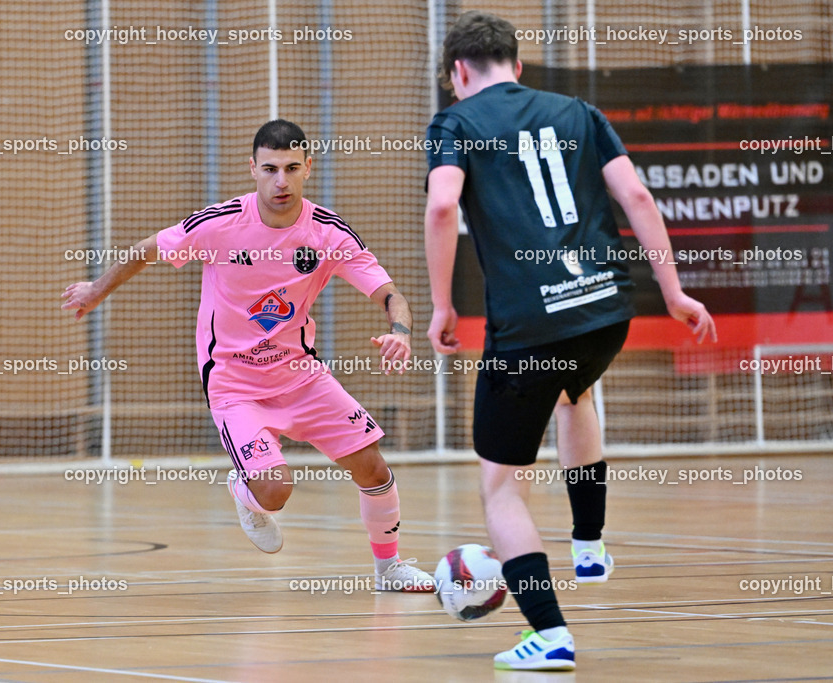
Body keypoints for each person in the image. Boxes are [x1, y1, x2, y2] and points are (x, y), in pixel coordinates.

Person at [423, 12, 717, 671]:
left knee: (501, 488)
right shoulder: (579, 110)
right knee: (573, 390)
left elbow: (443, 207)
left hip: (530, 324)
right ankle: (588, 544)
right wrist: (673, 293)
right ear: (518, 66)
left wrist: (443, 304)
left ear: (458, 74)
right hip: (608, 309)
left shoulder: (456, 123)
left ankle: (550, 633)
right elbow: (637, 196)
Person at [63, 119, 435, 593]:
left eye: (291, 168)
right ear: (253, 168)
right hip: (235, 384)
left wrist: (399, 331)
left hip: (302, 377)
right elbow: (145, 249)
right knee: (275, 492)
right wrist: (96, 290)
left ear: (307, 169)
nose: (281, 180)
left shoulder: (327, 233)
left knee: (373, 468)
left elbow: (390, 294)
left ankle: (390, 570)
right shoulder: (220, 223)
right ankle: (245, 489)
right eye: (270, 169)